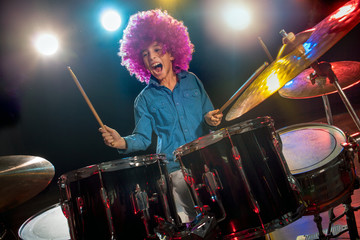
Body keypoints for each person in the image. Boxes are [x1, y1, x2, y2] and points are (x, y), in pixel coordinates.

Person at [99, 9, 223, 222]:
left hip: (207, 162)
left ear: (172, 52)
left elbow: (210, 118)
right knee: (199, 224)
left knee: (225, 214)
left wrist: (213, 120)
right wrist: (121, 142)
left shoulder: (192, 80)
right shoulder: (144, 99)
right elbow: (143, 138)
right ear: (141, 62)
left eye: (157, 49)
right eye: (145, 54)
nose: (152, 56)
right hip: (176, 171)